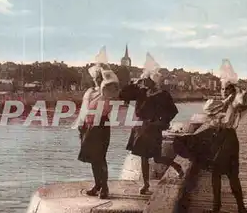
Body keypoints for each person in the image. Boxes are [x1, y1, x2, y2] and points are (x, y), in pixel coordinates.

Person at [173, 82, 247, 213]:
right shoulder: (218, 103)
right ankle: (216, 206)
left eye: (228, 90)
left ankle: (241, 208)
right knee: (215, 172)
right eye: (223, 89)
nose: (225, 92)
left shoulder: (235, 103)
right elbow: (208, 109)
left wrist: (240, 92)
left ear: (233, 92)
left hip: (229, 138)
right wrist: (226, 100)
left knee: (232, 174)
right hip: (216, 137)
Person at [122, 73, 185, 195]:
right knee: (143, 157)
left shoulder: (163, 95)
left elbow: (173, 111)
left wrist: (161, 121)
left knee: (157, 158)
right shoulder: (141, 92)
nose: (145, 82)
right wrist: (134, 83)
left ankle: (176, 166)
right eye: (144, 80)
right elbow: (123, 94)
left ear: (153, 81)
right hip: (141, 127)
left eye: (147, 80)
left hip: (154, 128)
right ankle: (145, 184)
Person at [77, 64, 119, 199]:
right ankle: (97, 185)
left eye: (99, 77)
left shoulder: (106, 91)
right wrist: (81, 124)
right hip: (88, 126)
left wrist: (104, 68)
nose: (97, 79)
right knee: (93, 159)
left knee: (100, 158)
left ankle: (105, 187)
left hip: (101, 126)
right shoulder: (90, 91)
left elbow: (114, 86)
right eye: (95, 77)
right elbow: (84, 109)